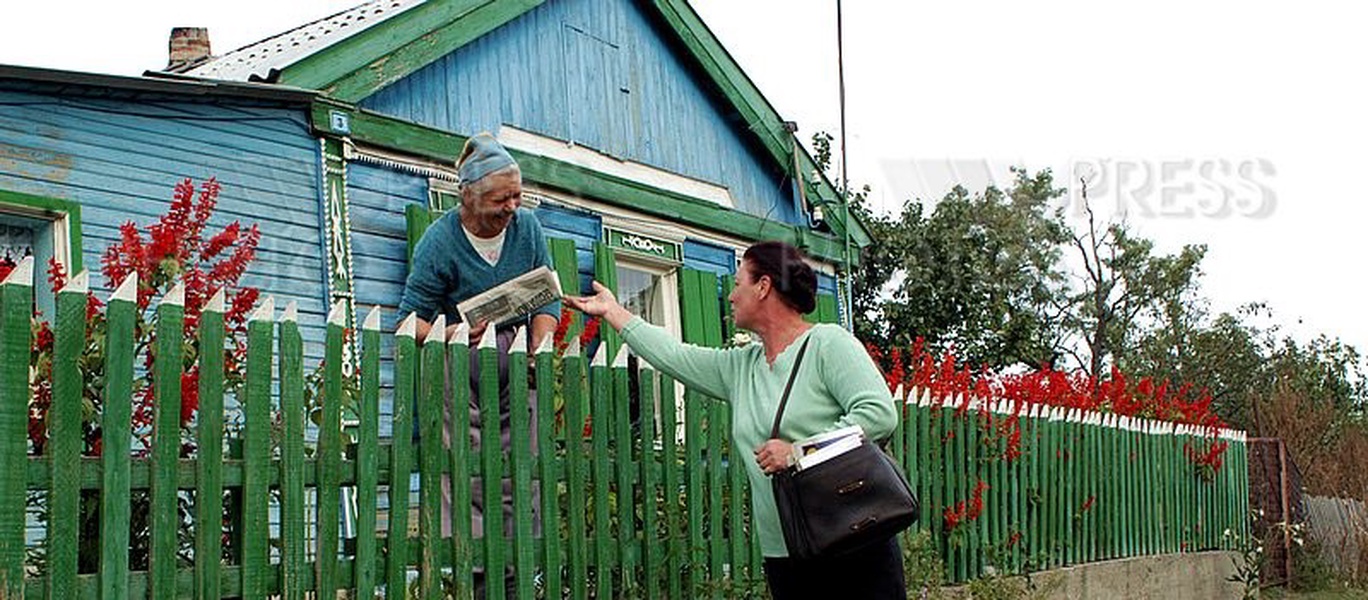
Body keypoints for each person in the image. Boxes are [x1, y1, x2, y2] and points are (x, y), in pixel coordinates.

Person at [564, 240, 905, 599]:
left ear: (764, 286)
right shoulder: (742, 367)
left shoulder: (827, 344)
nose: (730, 295)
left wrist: (798, 452)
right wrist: (613, 312)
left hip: (852, 538)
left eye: (738, 282)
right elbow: (674, 355)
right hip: (786, 551)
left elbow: (879, 414)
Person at [398, 132, 558, 596]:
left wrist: (540, 343)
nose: (512, 206)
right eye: (499, 198)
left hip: (517, 367)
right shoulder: (440, 241)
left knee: (519, 473)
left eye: (517, 195)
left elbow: (547, 298)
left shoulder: (527, 230)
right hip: (459, 371)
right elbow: (409, 322)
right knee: (467, 475)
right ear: (467, 195)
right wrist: (450, 332)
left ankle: (516, 575)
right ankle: (476, 577)